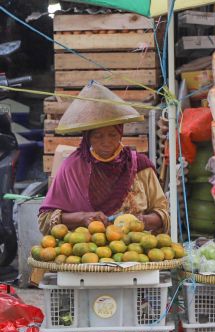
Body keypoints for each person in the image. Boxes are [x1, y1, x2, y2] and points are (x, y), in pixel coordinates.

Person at [38, 82, 169, 235]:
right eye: (98, 136)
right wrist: (82, 217)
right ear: (88, 138)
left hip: (136, 249)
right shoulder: (72, 168)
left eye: (112, 135)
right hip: (86, 251)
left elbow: (164, 213)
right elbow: (45, 220)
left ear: (120, 133)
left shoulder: (139, 165)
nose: (106, 142)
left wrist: (142, 221)